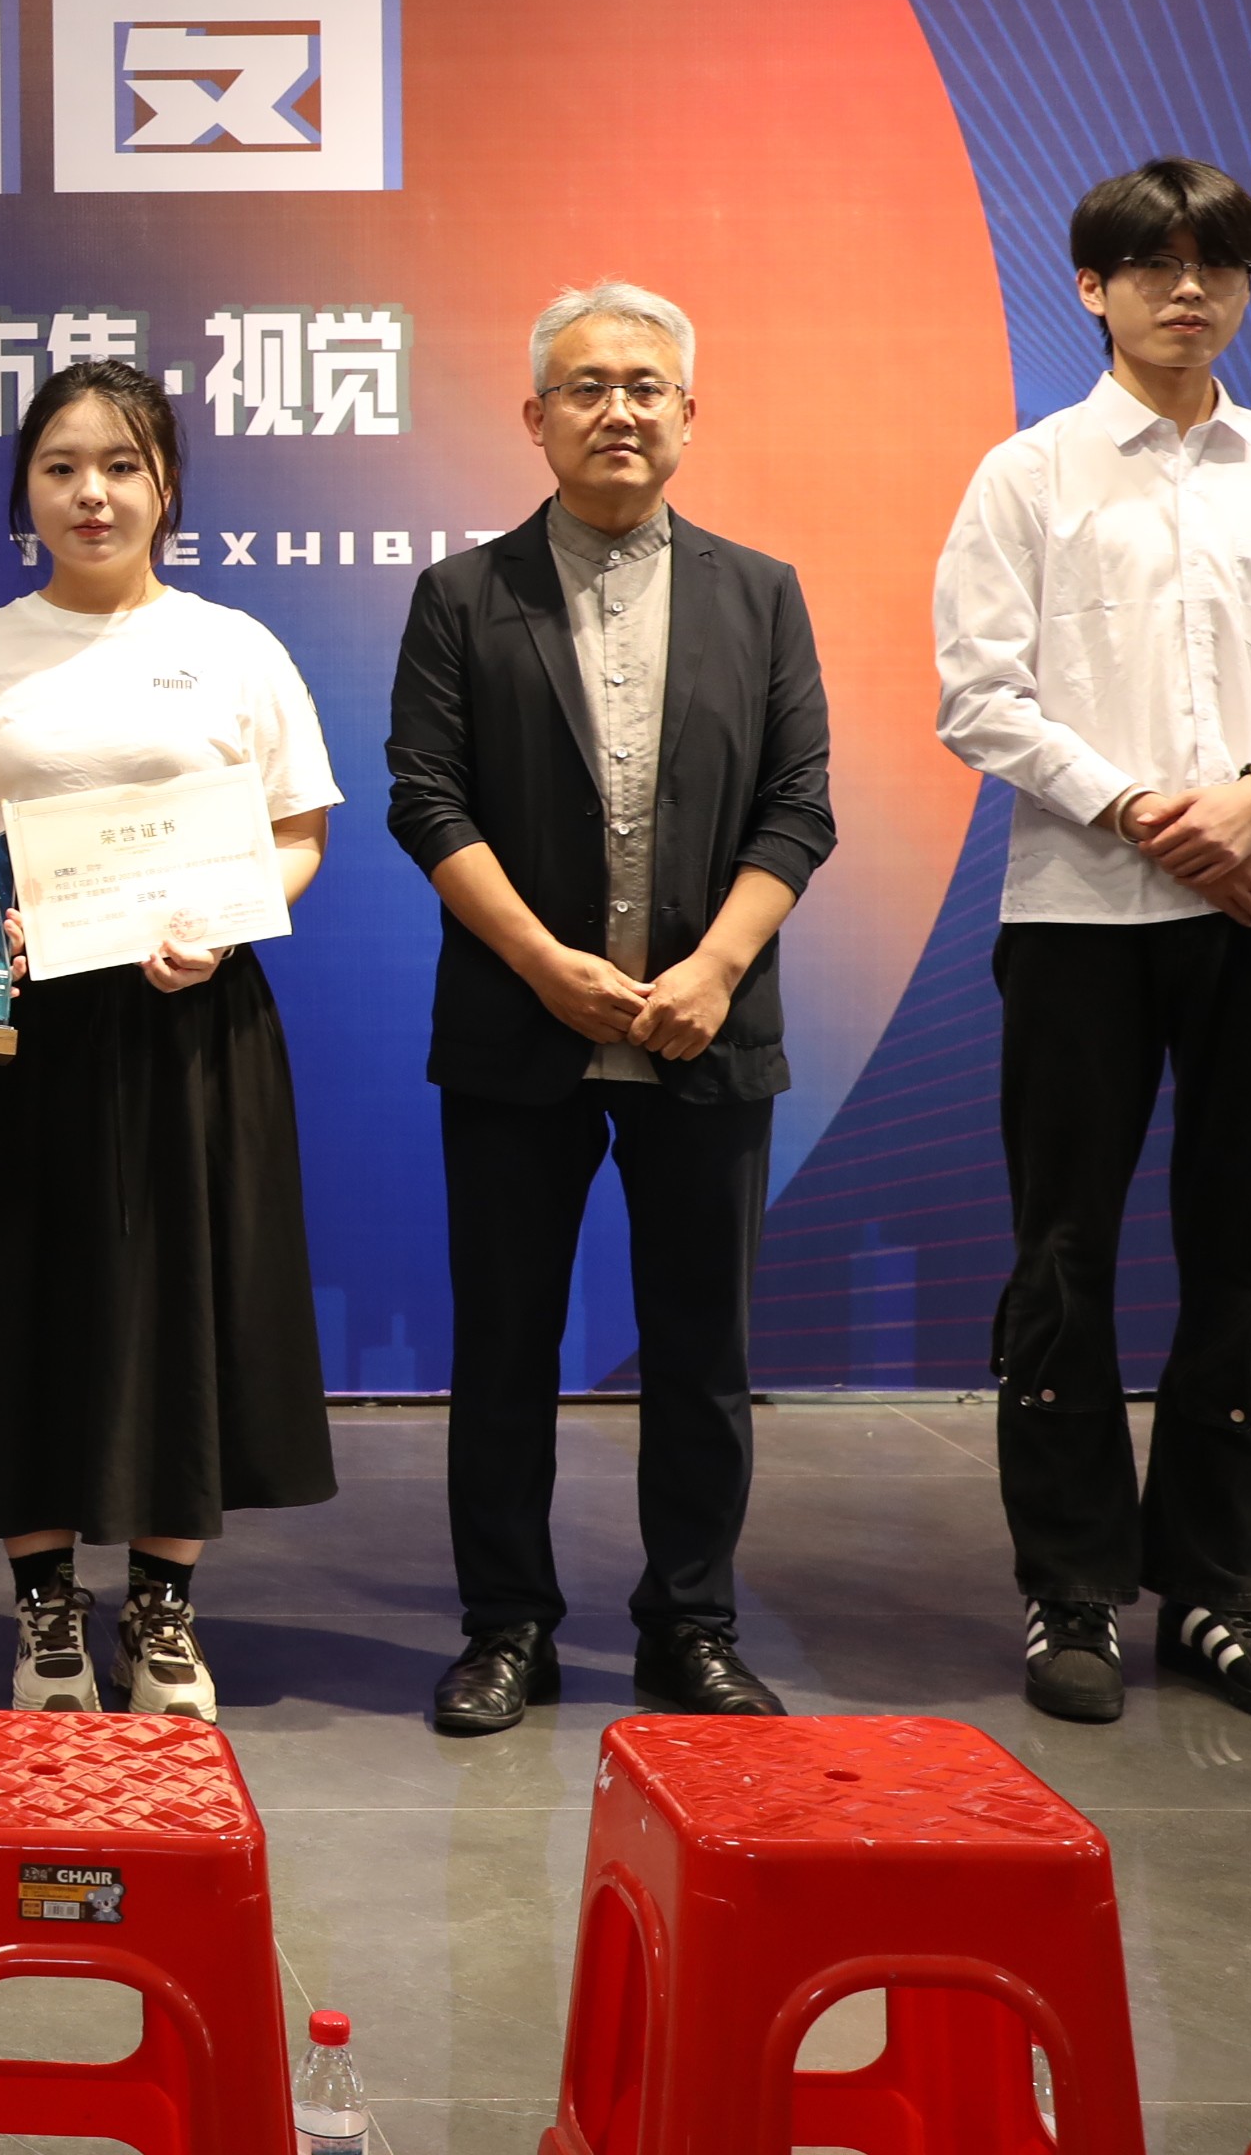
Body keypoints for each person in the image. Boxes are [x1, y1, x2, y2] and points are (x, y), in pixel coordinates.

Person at [934, 159, 1251, 1731]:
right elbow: (978, 693)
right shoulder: (1029, 476)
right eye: (1153, 266)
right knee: (1063, 1253)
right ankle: (1071, 1585)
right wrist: (1139, 810)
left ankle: (1220, 1590)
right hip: (1082, 913)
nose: (1188, 292)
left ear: (1246, 287)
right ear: (1093, 288)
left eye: (1218, 267)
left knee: (1241, 1251)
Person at [385, 281, 833, 1737]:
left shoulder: (761, 592)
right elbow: (426, 799)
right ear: (535, 417)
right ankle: (504, 1625)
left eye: (646, 386)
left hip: (708, 1034)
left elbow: (799, 805)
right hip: (519, 1032)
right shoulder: (464, 596)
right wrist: (541, 964)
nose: (618, 410)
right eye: (586, 387)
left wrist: (715, 970)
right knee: (505, 1349)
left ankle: (691, 1625)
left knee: (704, 1357)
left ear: (690, 414)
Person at [0, 361, 339, 1721]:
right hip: (13, 1021)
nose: (93, 493)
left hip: (189, 1016)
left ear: (166, 486)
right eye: (62, 466)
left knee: (183, 1303)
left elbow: (299, 833)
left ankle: (163, 1606)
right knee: (17, 1295)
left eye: (122, 466)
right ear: (25, 488)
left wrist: (227, 924)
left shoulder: (237, 649)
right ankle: (44, 1608)